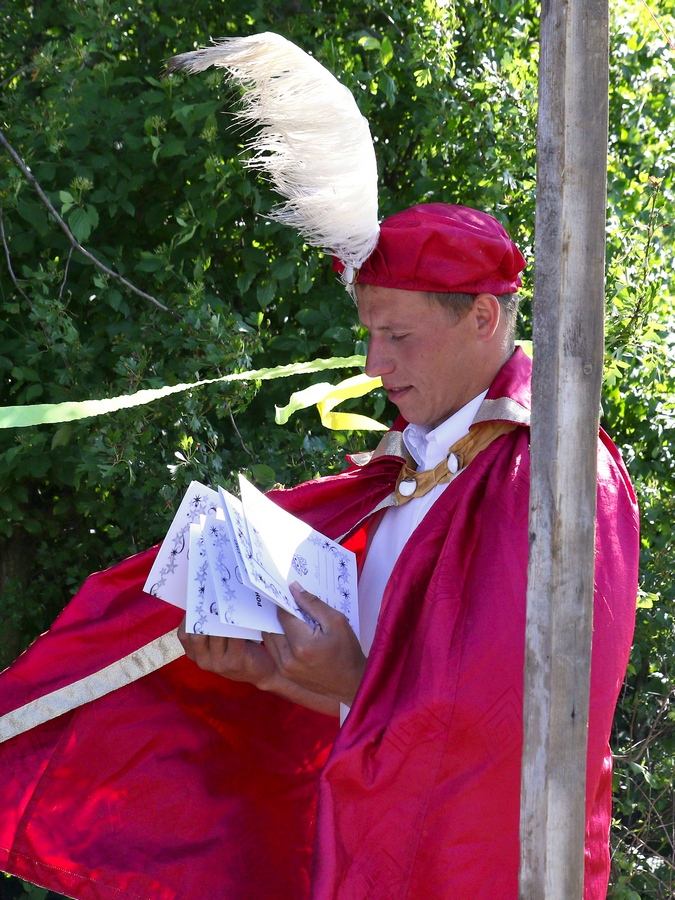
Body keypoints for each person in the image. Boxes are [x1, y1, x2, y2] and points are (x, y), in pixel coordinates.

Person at [0, 204, 638, 900]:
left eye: (397, 335)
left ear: (483, 318)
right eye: (369, 334)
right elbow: (377, 703)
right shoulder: (412, 466)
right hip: (369, 851)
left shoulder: (558, 478)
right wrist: (275, 673)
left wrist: (349, 678)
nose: (374, 364)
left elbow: (516, 740)